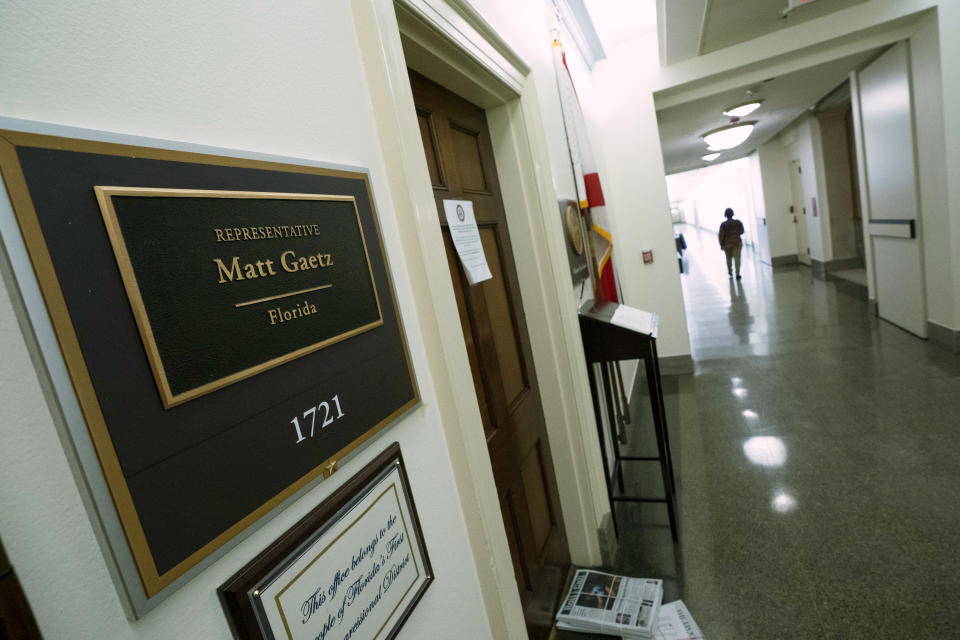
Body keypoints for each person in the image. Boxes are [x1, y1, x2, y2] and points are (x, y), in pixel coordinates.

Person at [718, 207, 745, 279]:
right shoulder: (738, 222)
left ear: (725, 215)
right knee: (737, 258)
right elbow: (742, 231)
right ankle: (737, 274)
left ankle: (730, 272)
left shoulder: (723, 225)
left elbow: (721, 236)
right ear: (733, 214)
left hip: (727, 244)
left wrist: (721, 244)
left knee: (728, 258)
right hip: (737, 242)